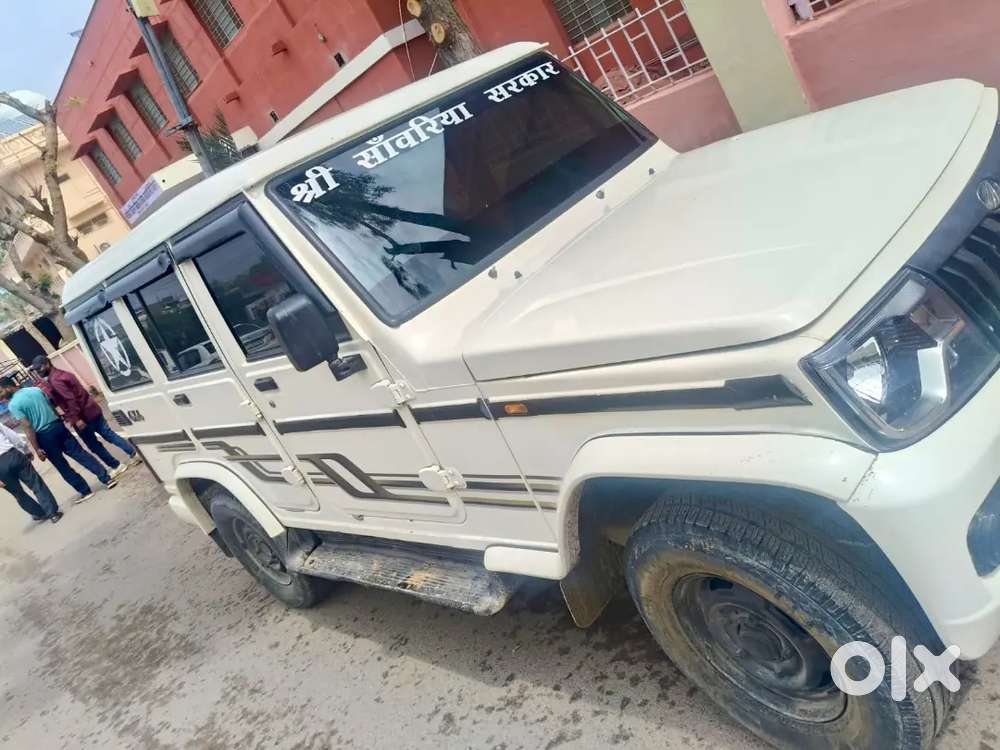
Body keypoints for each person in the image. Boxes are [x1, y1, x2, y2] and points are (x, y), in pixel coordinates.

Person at [0, 376, 117, 504]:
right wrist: (59, 421)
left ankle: (85, 491)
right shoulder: (35, 390)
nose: (2, 395)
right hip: (58, 426)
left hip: (44, 436)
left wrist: (37, 448)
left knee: (62, 466)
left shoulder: (13, 405)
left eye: (1, 391)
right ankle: (106, 478)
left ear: (8, 387)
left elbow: (27, 426)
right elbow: (51, 407)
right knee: (81, 454)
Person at [31, 356, 141, 475]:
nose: (38, 371)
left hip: (82, 417)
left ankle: (116, 465)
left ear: (47, 364)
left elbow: (70, 399)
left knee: (94, 445)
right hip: (92, 409)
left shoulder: (55, 380)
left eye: (39, 368)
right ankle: (134, 453)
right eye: (36, 370)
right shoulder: (62, 374)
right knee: (108, 434)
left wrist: (76, 419)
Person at [0, 420, 61, 523]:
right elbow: (13, 437)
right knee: (36, 484)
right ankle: (52, 514)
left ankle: (40, 513)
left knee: (18, 493)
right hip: (12, 455)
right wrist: (26, 450)